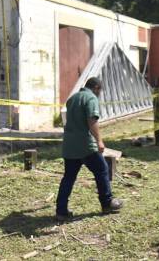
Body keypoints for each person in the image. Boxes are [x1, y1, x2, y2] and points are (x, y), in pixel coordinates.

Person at [55, 76, 123, 220]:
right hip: (85, 144)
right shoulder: (91, 98)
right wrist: (99, 141)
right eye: (100, 91)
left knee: (68, 177)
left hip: (69, 145)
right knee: (102, 169)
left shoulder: (72, 98)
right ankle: (107, 203)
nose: (99, 94)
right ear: (96, 88)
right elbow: (92, 120)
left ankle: (61, 211)